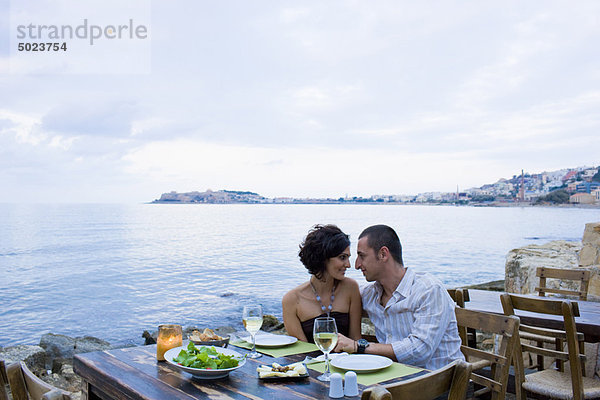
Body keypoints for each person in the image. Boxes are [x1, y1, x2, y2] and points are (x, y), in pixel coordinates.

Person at [334, 224, 464, 370]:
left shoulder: (428, 290)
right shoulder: (371, 294)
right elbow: (336, 294)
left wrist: (358, 346)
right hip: (396, 379)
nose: (356, 265)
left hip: (441, 384)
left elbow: (420, 350)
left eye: (362, 256)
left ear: (383, 254)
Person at [282, 224, 362, 343]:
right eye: (342, 257)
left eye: (348, 258)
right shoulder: (292, 300)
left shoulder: (350, 288)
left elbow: (356, 339)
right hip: (310, 360)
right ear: (323, 257)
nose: (348, 265)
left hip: (346, 360)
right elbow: (301, 351)